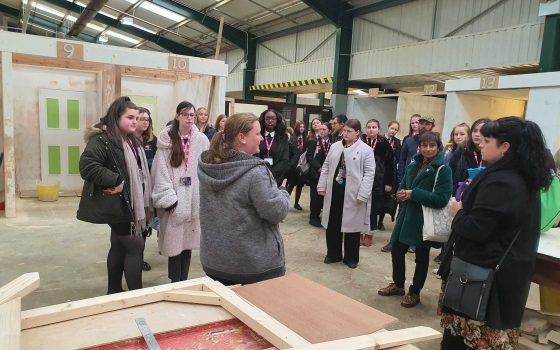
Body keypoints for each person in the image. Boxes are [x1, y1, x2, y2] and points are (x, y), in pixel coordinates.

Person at [439, 117, 553, 350]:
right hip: (497, 275)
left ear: (505, 147)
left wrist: (457, 212)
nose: (480, 142)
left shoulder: (503, 181)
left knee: (462, 344)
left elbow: (477, 229)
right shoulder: (518, 176)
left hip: (483, 281)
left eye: (488, 139)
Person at [198, 113, 290, 285]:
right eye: (257, 133)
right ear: (242, 137)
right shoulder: (255, 172)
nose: (262, 138)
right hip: (253, 268)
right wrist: (283, 191)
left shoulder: (209, 166)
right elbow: (277, 211)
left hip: (215, 263)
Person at [77, 96, 153, 294]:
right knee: (135, 246)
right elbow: (87, 166)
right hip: (118, 204)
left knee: (119, 246)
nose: (135, 121)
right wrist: (117, 180)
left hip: (128, 203)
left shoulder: (130, 140)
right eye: (130, 117)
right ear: (116, 118)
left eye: (137, 118)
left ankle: (113, 291)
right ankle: (137, 295)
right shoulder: (103, 140)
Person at [378, 131, 452, 308]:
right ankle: (398, 284)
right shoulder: (413, 164)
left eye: (432, 145)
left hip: (423, 220)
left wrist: (413, 194)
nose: (427, 149)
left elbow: (442, 198)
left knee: (421, 257)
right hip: (406, 217)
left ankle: (415, 292)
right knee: (396, 250)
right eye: (424, 145)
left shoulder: (443, 169)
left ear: (438, 147)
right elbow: (402, 186)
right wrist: (400, 194)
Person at [151, 101, 210, 282]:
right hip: (174, 199)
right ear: (177, 116)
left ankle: (182, 280)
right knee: (174, 243)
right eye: (186, 114)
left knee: (188, 243)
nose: (190, 118)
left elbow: (206, 167)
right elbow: (160, 171)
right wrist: (169, 199)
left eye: (192, 115)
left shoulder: (201, 140)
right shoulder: (166, 139)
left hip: (193, 197)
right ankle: (174, 281)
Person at [318, 119, 375, 269]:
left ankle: (351, 258)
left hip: (353, 194)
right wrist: (322, 185)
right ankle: (333, 254)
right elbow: (326, 167)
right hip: (334, 191)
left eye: (349, 131)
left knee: (352, 228)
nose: (345, 133)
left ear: (357, 133)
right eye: (344, 130)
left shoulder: (366, 150)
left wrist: (363, 194)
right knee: (333, 223)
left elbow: (370, 174)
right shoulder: (335, 146)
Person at [361, 119, 394, 246]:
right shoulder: (361, 142)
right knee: (360, 207)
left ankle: (369, 234)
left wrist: (388, 183)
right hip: (361, 179)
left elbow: (390, 165)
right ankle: (358, 232)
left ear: (379, 129)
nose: (371, 129)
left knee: (373, 208)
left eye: (374, 127)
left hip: (378, 181)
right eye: (368, 127)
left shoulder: (384, 144)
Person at [134, 107, 157, 272]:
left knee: (145, 227)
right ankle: (132, 258)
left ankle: (139, 258)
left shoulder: (153, 141)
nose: (144, 122)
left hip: (148, 189)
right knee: (132, 228)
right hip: (134, 190)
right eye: (141, 118)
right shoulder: (128, 140)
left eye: (147, 119)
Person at [257, 109, 290, 187]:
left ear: (277, 120)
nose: (270, 120)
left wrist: (272, 172)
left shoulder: (283, 137)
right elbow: (254, 155)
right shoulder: (258, 135)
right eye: (267, 118)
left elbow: (285, 159)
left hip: (276, 176)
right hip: (259, 175)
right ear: (263, 120)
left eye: (273, 118)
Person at [307, 122, 331, 227]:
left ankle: (321, 215)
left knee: (324, 196)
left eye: (324, 129)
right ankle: (313, 217)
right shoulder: (314, 141)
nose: (321, 131)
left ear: (329, 131)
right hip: (316, 173)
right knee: (315, 196)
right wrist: (319, 167)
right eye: (320, 129)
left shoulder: (333, 142)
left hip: (328, 173)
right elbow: (309, 156)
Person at [287, 120, 307, 210]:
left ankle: (296, 203)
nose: (302, 128)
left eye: (303, 127)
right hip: (293, 165)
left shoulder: (305, 138)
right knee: (290, 185)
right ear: (296, 127)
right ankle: (285, 202)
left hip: (302, 165)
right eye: (300, 127)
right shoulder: (292, 138)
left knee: (300, 185)